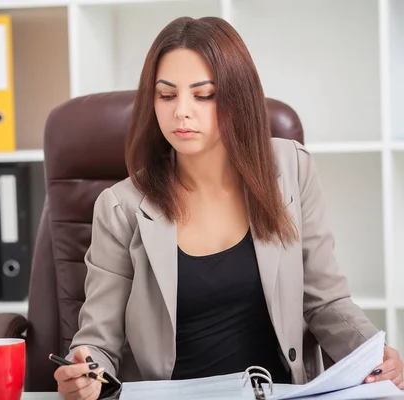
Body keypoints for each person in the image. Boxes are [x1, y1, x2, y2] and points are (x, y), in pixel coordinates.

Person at [53, 16, 404, 400]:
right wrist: (86, 374)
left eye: (203, 95)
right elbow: (97, 342)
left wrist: (374, 354)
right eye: (166, 95)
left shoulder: (290, 168)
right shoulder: (121, 206)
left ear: (238, 96)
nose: (181, 112)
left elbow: (326, 302)